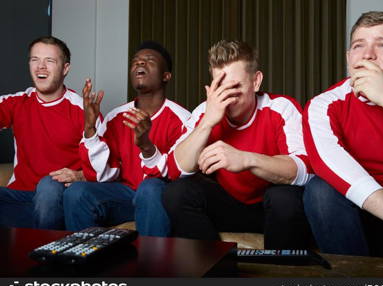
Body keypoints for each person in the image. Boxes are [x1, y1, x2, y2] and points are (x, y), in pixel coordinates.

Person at [162, 40, 313, 249]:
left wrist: (245, 159)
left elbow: (305, 169)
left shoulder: (280, 108)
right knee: (176, 192)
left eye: (235, 87)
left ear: (256, 81)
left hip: (272, 209)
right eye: (220, 87)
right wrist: (207, 121)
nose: (228, 97)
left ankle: (277, 273)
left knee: (283, 197)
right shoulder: (204, 112)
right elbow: (173, 171)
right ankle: (216, 268)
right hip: (228, 207)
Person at [303, 11, 383, 257]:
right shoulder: (323, 105)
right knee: (319, 190)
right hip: (361, 208)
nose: (368, 55)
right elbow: (331, 167)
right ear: (348, 58)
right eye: (358, 46)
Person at [63, 41, 190, 236]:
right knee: (77, 192)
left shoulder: (183, 119)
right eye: (135, 61)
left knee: (149, 188)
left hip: (158, 200)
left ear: (166, 76)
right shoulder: (116, 117)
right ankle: (82, 261)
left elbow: (181, 178)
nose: (140, 64)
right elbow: (100, 175)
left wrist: (146, 145)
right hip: (126, 196)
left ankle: (152, 264)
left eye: (149, 61)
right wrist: (90, 126)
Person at [0, 36, 86, 229]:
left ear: (65, 69)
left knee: (48, 185)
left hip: (59, 199)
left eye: (50, 61)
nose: (41, 66)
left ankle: (44, 251)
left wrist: (80, 175)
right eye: (35, 59)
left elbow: (107, 167)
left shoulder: (83, 109)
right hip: (21, 198)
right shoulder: (18, 102)